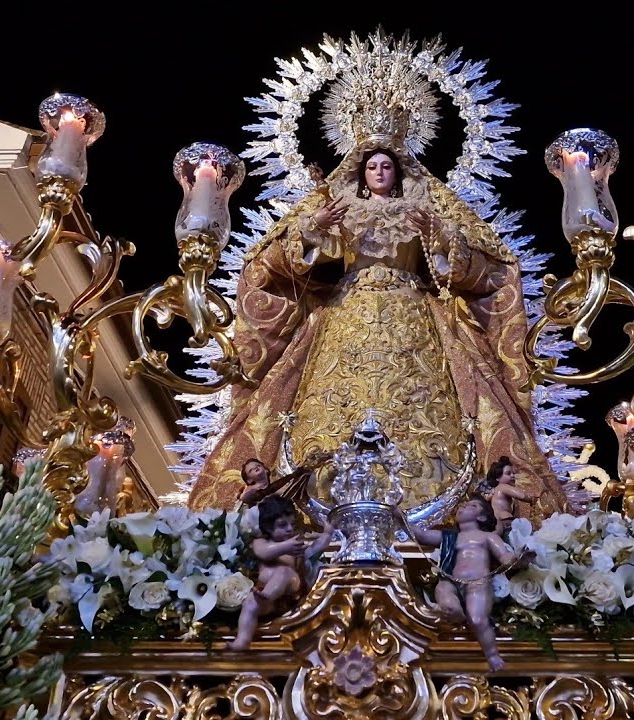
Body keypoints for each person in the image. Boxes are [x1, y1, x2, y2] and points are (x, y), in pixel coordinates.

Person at [187, 95, 567, 519]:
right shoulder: (337, 206)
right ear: (361, 172)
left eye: (387, 165)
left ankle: (436, 503)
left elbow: (477, 269)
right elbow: (274, 263)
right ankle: (314, 500)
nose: (380, 172)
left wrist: (440, 238)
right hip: (345, 314)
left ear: (399, 169)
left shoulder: (426, 208)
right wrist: (314, 230)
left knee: (430, 408)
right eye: (372, 166)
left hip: (415, 316)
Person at [397, 498, 529, 671]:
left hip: (478, 583)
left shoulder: (488, 537)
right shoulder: (449, 536)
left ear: (481, 518)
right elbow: (420, 535)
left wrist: (518, 558)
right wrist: (398, 515)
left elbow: (505, 557)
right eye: (462, 504)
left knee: (477, 619)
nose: (464, 506)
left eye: (472, 506)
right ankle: (456, 614)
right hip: (451, 580)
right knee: (445, 594)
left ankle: (491, 654)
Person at [228, 495, 334, 651]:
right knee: (249, 603)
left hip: (288, 593)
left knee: (283, 571)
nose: (290, 529)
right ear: (268, 527)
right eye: (283, 525)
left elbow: (315, 548)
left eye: (292, 524)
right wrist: (285, 547)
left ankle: (267, 596)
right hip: (263, 594)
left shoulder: (295, 548)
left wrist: (328, 534)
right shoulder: (261, 542)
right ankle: (243, 639)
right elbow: (264, 553)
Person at [478, 456, 541, 534]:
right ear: (498, 477)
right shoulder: (503, 486)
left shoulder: (496, 491)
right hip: (505, 519)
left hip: (497, 520)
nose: (512, 475)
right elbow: (522, 496)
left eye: (513, 473)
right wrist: (533, 497)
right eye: (508, 473)